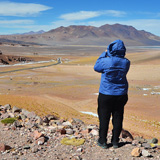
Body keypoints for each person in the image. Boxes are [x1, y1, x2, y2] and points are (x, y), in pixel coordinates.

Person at [94, 39, 130, 149]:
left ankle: (103, 141)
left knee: (104, 118)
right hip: (121, 94)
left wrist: (104, 53)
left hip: (106, 93)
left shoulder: (105, 61)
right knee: (118, 117)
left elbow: (96, 67)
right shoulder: (126, 62)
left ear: (111, 49)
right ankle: (115, 142)